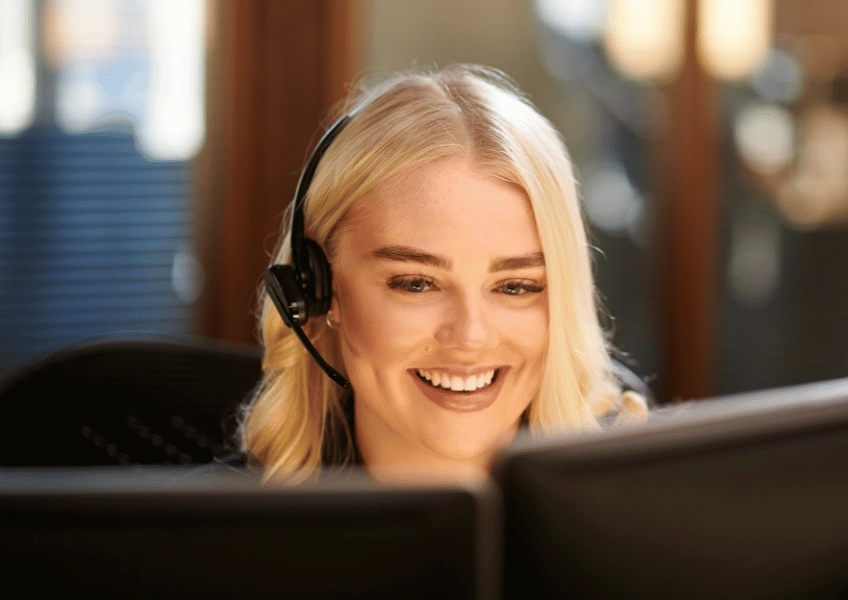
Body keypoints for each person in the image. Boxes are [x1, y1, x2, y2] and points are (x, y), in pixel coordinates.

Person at [237, 65, 647, 484]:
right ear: (319, 289)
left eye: (515, 287)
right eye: (416, 283)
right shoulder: (208, 541)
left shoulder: (656, 521)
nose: (470, 336)